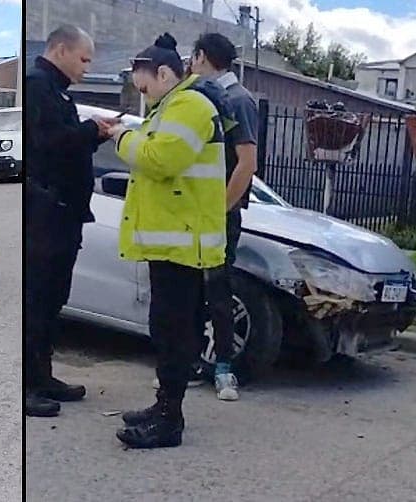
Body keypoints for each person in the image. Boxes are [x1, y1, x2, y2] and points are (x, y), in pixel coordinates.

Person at [105, 33, 229, 448]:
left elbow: (160, 161)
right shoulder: (170, 107)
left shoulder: (190, 105)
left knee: (174, 332)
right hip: (173, 243)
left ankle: (169, 420)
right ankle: (164, 406)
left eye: (142, 86)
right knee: (166, 329)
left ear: (163, 74)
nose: (141, 95)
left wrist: (120, 137)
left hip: (184, 245)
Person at [24, 25, 116, 417]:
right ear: (60, 50)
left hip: (64, 214)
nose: (87, 67)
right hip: (45, 213)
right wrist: (87, 130)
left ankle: (43, 376)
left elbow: (65, 144)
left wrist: (95, 135)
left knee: (52, 301)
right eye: (84, 58)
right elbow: (44, 144)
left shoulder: (57, 90)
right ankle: (28, 386)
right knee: (36, 300)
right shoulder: (36, 86)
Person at [189, 33, 259, 401]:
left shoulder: (237, 100)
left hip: (219, 215)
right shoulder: (200, 99)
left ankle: (224, 369)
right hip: (193, 212)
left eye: (192, 57)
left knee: (218, 289)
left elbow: (246, 165)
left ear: (202, 57)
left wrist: (219, 211)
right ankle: (191, 363)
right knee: (192, 290)